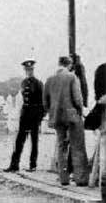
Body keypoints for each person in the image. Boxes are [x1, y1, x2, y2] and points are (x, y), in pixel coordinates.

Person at [43, 56, 89, 186]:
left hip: (57, 117)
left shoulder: (49, 79)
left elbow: (45, 102)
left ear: (59, 64)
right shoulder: (72, 77)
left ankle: (63, 179)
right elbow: (78, 99)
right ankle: (80, 179)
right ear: (69, 65)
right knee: (77, 146)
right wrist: (80, 110)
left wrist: (52, 112)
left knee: (61, 146)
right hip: (72, 116)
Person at [3, 60, 44, 172]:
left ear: (33, 70)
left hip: (34, 115)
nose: (28, 72)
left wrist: (40, 117)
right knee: (19, 140)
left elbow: (42, 102)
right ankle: (14, 165)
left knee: (34, 140)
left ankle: (33, 165)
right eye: (26, 70)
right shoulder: (24, 82)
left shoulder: (38, 83)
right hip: (25, 114)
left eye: (30, 70)